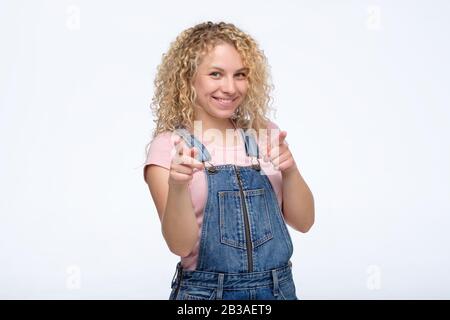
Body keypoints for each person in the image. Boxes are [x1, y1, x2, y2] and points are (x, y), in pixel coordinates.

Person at [143, 21, 314, 300]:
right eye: (215, 74)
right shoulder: (169, 147)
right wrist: (177, 186)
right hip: (206, 293)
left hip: (278, 290)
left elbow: (304, 222)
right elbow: (181, 245)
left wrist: (291, 170)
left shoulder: (265, 133)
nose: (230, 87)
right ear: (188, 78)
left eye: (240, 75)